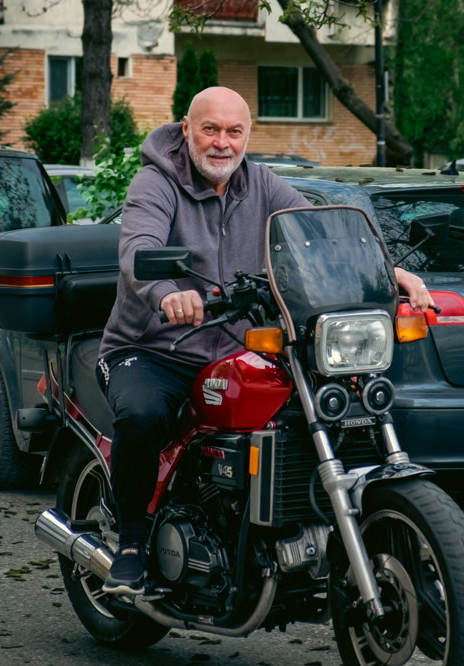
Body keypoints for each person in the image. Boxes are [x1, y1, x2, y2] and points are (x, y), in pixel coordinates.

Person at [97, 86, 433, 595]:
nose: (222, 143)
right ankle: (131, 539)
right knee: (142, 416)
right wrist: (167, 291)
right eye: (210, 129)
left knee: (319, 408)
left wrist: (391, 273)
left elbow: (320, 236)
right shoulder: (155, 181)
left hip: (237, 344)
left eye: (234, 132)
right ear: (186, 129)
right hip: (154, 347)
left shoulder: (261, 183)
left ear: (247, 136)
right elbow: (138, 247)